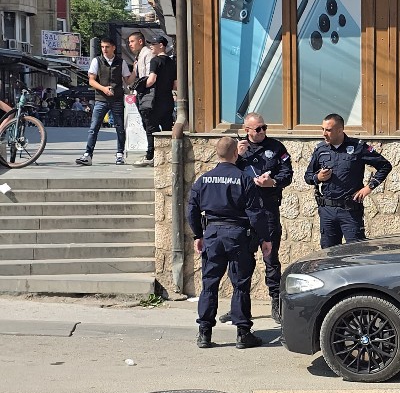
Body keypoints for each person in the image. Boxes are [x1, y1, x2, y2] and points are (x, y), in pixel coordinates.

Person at [186, 136, 273, 349]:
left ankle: (204, 333)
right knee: (240, 285)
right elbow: (256, 213)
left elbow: (191, 210)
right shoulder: (244, 179)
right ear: (236, 153)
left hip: (213, 234)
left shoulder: (203, 180)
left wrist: (199, 235)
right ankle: (243, 334)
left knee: (209, 284)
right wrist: (265, 239)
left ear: (218, 153)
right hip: (237, 235)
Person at [217, 112, 293, 324]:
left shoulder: (276, 147)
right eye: (257, 129)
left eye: (264, 127)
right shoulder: (237, 151)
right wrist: (238, 157)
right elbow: (225, 172)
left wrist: (273, 182)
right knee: (240, 263)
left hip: (267, 211)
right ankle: (239, 308)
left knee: (271, 260)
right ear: (246, 130)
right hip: (243, 215)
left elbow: (288, 173)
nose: (261, 132)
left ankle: (276, 305)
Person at [304, 113, 392, 248]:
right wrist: (318, 178)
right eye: (322, 129)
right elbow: (308, 176)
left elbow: (385, 166)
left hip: (350, 211)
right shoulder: (320, 149)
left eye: (328, 130)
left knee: (356, 253)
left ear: (340, 130)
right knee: (328, 255)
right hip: (327, 210)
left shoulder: (358, 147)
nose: (324, 134)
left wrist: (369, 187)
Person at [76, 37, 133, 165]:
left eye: (107, 47)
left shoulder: (121, 62)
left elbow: (128, 80)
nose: (104, 50)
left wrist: (135, 70)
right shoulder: (97, 61)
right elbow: (91, 80)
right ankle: (88, 154)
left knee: (119, 127)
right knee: (94, 127)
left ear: (113, 48)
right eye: (102, 47)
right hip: (101, 99)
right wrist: (103, 89)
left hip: (117, 98)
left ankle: (120, 154)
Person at [133, 36, 176, 167]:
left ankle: (151, 155)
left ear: (161, 45)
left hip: (154, 101)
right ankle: (169, 155)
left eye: (154, 44)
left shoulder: (155, 61)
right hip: (168, 100)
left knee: (151, 128)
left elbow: (151, 80)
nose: (151, 46)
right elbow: (175, 85)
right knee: (167, 128)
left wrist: (140, 85)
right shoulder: (172, 62)